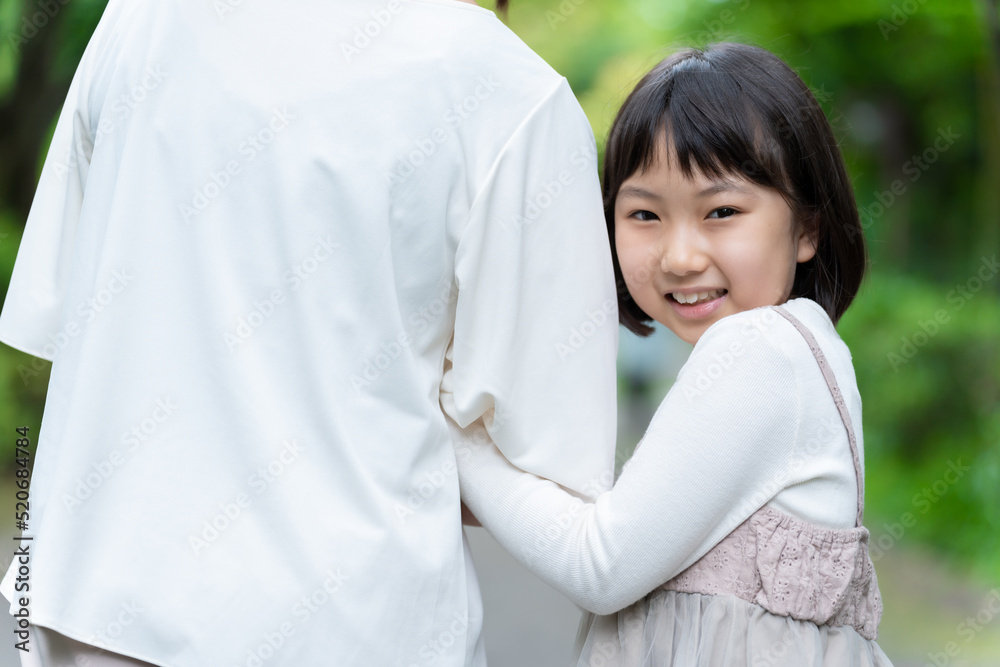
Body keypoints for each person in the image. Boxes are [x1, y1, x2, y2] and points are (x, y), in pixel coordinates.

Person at [0, 0, 620, 664]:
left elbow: (62, 323)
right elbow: (553, 471)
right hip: (353, 627)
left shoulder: (140, 17)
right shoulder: (513, 95)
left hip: (90, 603)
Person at [448, 43, 894, 665]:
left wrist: (455, 433)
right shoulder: (807, 347)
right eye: (644, 214)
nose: (679, 256)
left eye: (721, 211)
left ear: (809, 228)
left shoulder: (762, 350)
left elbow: (599, 566)